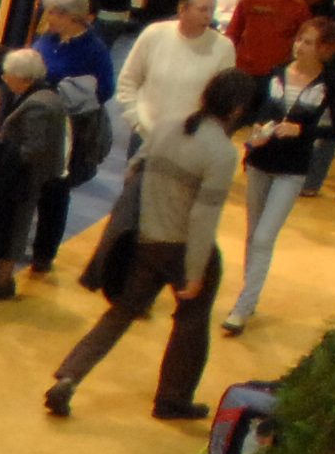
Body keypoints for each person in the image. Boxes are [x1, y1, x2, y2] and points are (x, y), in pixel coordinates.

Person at [46, 67, 245, 422]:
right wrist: (196, 271)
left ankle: (70, 375)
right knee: (192, 322)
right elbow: (203, 218)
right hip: (183, 246)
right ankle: (173, 399)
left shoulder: (170, 124)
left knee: (119, 313)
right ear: (238, 110)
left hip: (143, 238)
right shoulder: (221, 152)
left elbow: (134, 169)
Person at [228, 11, 335, 334]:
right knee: (253, 234)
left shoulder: (331, 85)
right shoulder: (275, 74)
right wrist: (254, 128)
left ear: (325, 49)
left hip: (292, 170)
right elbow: (254, 110)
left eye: (309, 42)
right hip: (260, 162)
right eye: (299, 40)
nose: (301, 47)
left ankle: (242, 306)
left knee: (265, 237)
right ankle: (249, 299)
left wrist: (305, 132)